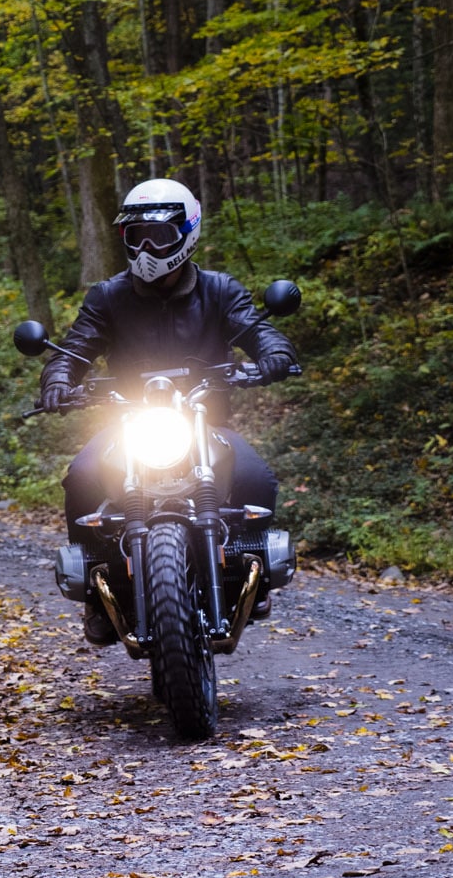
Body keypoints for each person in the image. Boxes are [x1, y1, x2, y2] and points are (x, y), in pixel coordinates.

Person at [37, 179, 298, 644]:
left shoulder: (219, 289)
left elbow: (255, 329)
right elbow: (74, 349)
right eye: (136, 236)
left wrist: (274, 353)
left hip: (204, 423)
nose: (146, 248)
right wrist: (58, 379)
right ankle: (97, 594)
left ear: (187, 232)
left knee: (256, 478)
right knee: (82, 476)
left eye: (158, 236)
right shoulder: (108, 296)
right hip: (129, 423)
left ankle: (250, 574)